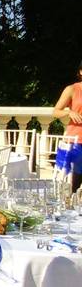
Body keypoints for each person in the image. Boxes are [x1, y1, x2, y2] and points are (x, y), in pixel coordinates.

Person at [52, 60, 82, 191]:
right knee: (75, 180)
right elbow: (56, 111)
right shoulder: (72, 89)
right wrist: (69, 112)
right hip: (76, 140)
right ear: (80, 72)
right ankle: (72, 208)